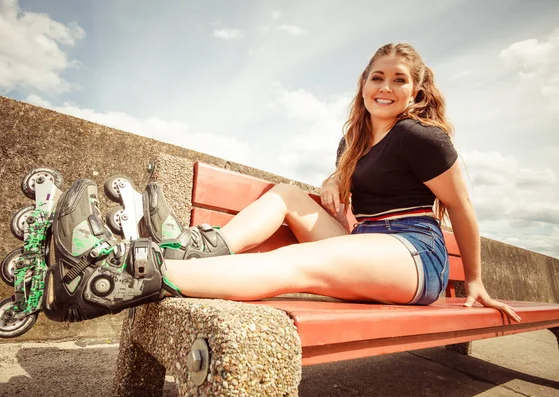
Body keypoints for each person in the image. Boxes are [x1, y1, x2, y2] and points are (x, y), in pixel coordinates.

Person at [46, 43, 520, 323]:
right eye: (377, 77)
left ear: (415, 91)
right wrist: (339, 175)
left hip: (415, 252)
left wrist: (475, 280)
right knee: (289, 195)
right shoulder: (350, 145)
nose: (385, 87)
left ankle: (113, 275)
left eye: (399, 81)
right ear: (362, 83)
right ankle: (196, 246)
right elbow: (356, 191)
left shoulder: (421, 137)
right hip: (368, 243)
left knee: (293, 263)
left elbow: (462, 208)